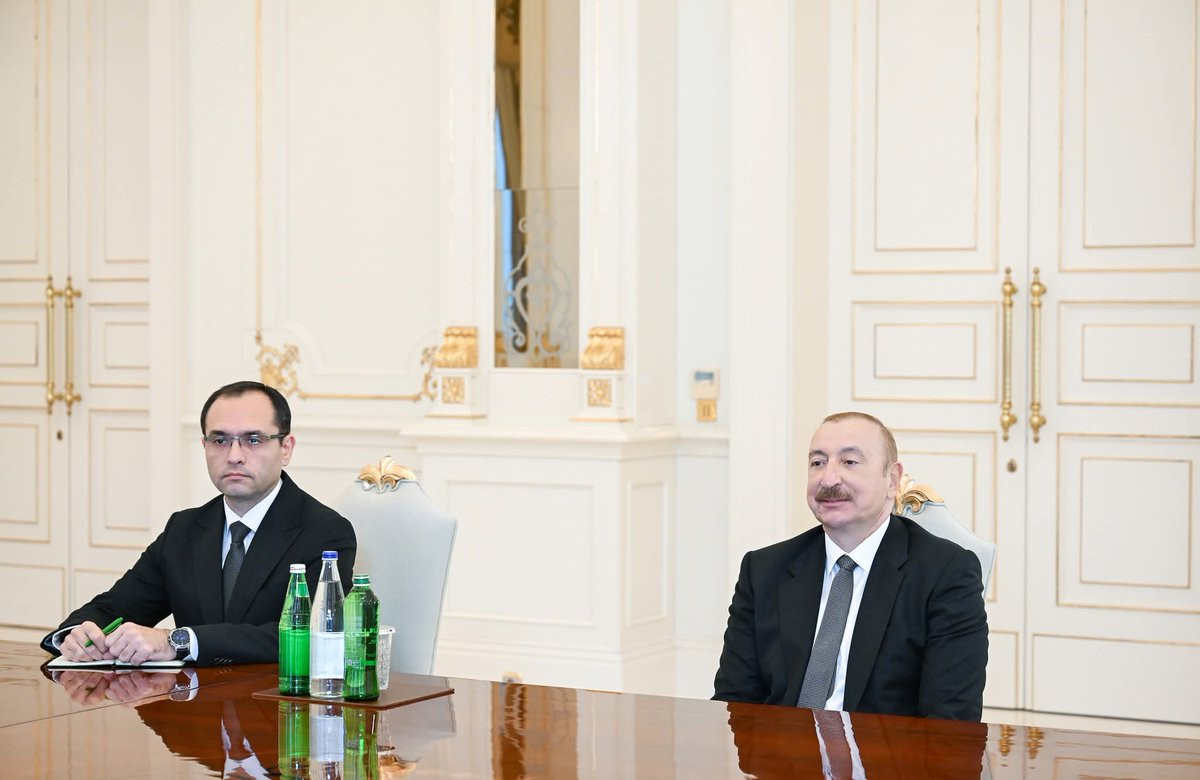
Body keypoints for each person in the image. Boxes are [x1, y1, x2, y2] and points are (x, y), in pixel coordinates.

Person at [40, 380, 356, 666]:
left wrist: (176, 641)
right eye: (220, 440)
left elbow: (308, 634)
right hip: (192, 703)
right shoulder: (184, 529)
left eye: (253, 440)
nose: (234, 456)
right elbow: (115, 608)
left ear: (286, 448)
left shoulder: (326, 532)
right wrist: (76, 635)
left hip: (275, 703)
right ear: (204, 447)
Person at [713, 411, 987, 720]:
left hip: (887, 751)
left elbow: (950, 722)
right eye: (818, 463)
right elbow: (734, 703)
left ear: (892, 480)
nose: (828, 479)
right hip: (780, 748)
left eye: (849, 462)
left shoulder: (945, 574)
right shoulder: (764, 570)